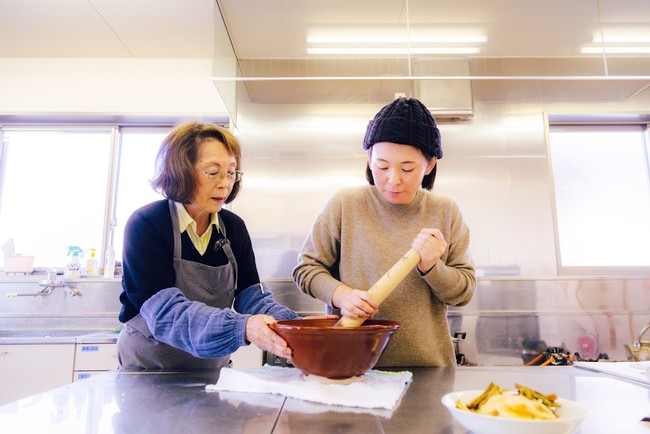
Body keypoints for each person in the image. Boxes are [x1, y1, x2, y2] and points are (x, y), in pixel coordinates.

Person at [292, 97, 476, 367]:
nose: (393, 179)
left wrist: (431, 267)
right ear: (368, 158)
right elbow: (306, 269)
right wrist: (342, 295)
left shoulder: (445, 211)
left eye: (407, 168)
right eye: (382, 165)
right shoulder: (346, 204)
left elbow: (463, 293)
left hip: (426, 368)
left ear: (430, 164)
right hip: (350, 366)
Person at [117, 121, 299, 371]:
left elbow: (253, 299)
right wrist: (243, 327)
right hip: (149, 372)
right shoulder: (147, 225)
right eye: (213, 172)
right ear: (180, 171)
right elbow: (167, 315)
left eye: (231, 173)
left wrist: (299, 329)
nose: (225, 184)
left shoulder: (233, 228)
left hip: (211, 372)